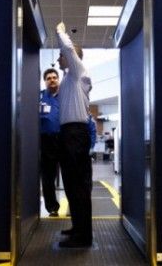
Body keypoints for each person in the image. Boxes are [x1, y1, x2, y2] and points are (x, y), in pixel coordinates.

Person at [56, 22, 93, 248]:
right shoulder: (69, 80)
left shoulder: (78, 73)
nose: (59, 59)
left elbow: (69, 50)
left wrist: (61, 32)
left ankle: (83, 236)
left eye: (61, 56)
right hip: (68, 135)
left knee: (79, 187)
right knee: (71, 186)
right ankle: (78, 228)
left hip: (75, 136)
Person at [40, 68, 61, 217]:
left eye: (54, 77)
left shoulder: (66, 96)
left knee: (71, 175)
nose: (52, 80)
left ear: (58, 79)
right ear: (45, 81)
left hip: (64, 139)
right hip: (46, 141)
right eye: (49, 78)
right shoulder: (40, 97)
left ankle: (75, 207)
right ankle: (52, 207)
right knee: (48, 177)